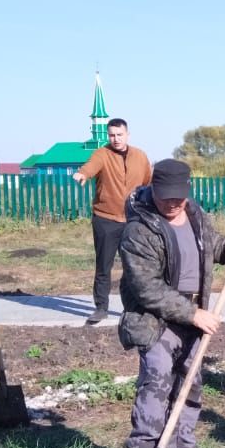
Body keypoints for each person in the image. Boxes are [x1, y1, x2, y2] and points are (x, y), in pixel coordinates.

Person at [117, 159, 225, 448]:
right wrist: (193, 314)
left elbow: (216, 248)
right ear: (154, 188)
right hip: (154, 318)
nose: (173, 203)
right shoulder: (139, 229)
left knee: (190, 382)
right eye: (166, 196)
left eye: (179, 196)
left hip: (195, 315)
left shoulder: (194, 214)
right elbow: (146, 288)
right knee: (157, 376)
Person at [72, 118, 152, 325]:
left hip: (133, 220)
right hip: (106, 219)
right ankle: (101, 308)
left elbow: (148, 184)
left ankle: (134, 307)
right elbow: (90, 167)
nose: (115, 139)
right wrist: (82, 174)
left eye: (119, 134)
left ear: (127, 134)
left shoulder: (140, 156)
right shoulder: (102, 154)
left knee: (134, 266)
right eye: (112, 135)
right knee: (104, 266)